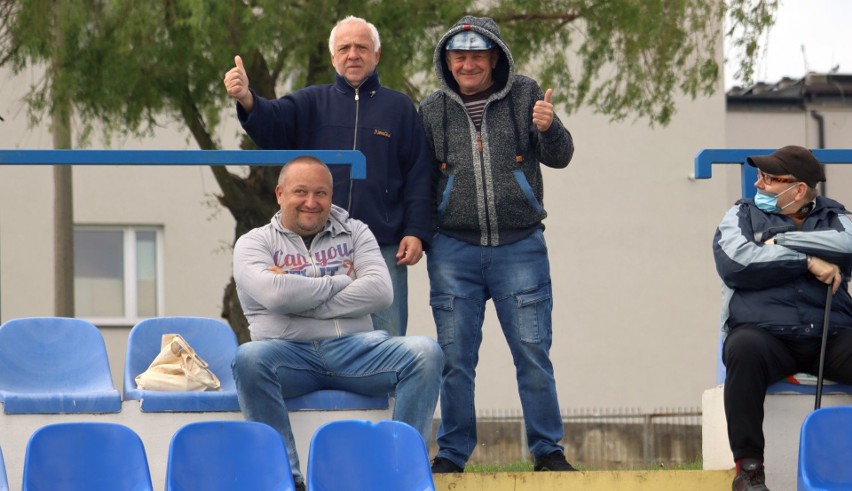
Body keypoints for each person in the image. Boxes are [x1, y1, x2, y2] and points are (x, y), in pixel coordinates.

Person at [418, 16, 576, 473]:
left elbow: (561, 156)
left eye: (477, 55)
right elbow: (422, 180)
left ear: (495, 58)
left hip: (520, 246)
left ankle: (548, 451)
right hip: (452, 250)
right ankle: (451, 454)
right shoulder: (430, 110)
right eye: (459, 55)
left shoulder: (527, 94)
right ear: (447, 61)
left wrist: (548, 128)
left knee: (532, 352)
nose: (468, 64)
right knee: (455, 359)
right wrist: (423, 233)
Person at [230, 155, 442, 490]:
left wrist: (297, 298)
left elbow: (380, 291)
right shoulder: (254, 243)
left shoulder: (356, 231)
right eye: (300, 192)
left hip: (356, 352)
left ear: (331, 196)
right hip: (287, 356)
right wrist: (341, 282)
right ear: (280, 194)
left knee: (425, 352)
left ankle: (398, 473)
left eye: (321, 194)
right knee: (248, 359)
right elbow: (274, 296)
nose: (311, 203)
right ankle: (286, 478)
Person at [223, 15, 432, 337]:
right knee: (316, 332)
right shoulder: (310, 101)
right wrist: (246, 98)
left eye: (362, 47)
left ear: (376, 56)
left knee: (387, 343)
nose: (353, 54)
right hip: (318, 245)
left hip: (382, 245)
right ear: (334, 56)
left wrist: (416, 231)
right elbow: (272, 126)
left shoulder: (400, 108)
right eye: (344, 48)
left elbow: (419, 173)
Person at [713, 145, 852, 490]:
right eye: (758, 176)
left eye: (768, 178)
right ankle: (749, 471)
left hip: (831, 335)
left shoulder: (837, 216)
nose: (758, 184)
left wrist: (779, 242)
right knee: (742, 349)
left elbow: (850, 244)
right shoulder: (741, 214)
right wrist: (806, 261)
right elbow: (737, 260)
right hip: (765, 335)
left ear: (799, 189)